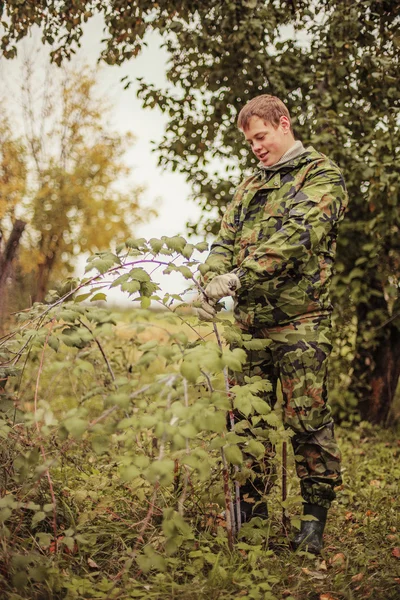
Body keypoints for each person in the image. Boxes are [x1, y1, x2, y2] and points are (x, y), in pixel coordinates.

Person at [197, 94, 348, 554]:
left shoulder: (322, 176)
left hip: (300, 321)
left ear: (283, 124)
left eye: (260, 137)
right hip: (250, 325)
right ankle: (256, 523)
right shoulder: (248, 187)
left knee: (307, 420)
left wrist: (237, 277)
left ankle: (313, 524)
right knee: (247, 423)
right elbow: (223, 242)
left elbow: (298, 237)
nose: (256, 148)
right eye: (250, 142)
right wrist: (209, 281)